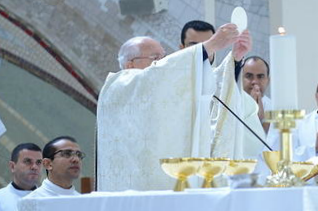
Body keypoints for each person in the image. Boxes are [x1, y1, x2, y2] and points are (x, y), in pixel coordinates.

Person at [97, 23, 250, 191]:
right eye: (155, 58)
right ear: (129, 64)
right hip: (136, 189)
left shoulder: (167, 90)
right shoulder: (119, 86)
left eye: (164, 57)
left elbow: (208, 94)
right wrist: (210, 46)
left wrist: (233, 62)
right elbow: (156, 76)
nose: (162, 62)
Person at [179, 22, 266, 164]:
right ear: (181, 48)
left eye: (209, 45)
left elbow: (223, 80)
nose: (204, 51)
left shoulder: (217, 82)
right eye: (194, 46)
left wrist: (235, 60)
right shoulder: (170, 81)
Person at [241, 56, 272, 133]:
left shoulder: (274, 109)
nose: (255, 81)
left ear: (268, 81)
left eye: (260, 76)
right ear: (240, 79)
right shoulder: (229, 106)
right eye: (249, 76)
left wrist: (262, 122)